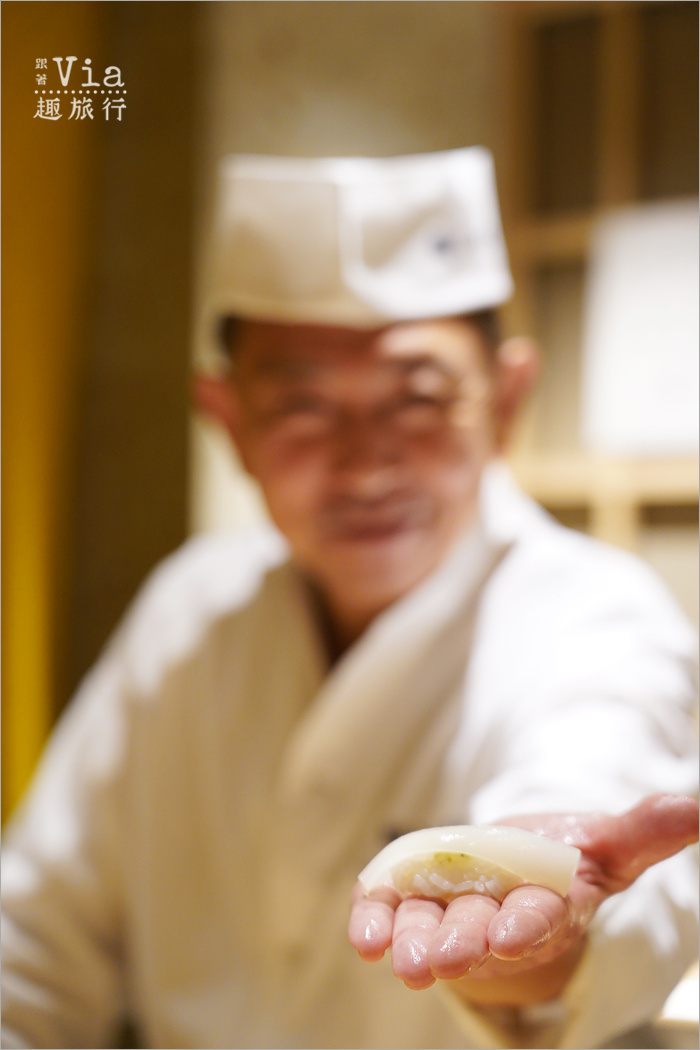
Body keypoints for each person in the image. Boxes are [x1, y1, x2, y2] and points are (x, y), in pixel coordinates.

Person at [2, 148, 697, 1050]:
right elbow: (33, 942)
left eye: (418, 398)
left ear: (505, 400)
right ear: (229, 421)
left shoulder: (594, 615)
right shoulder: (188, 610)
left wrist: (535, 935)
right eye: (302, 407)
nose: (367, 464)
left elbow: (587, 772)